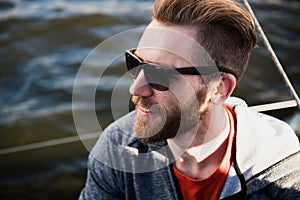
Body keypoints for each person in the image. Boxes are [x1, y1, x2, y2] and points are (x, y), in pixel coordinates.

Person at [79, 0, 300, 199]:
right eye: (136, 63)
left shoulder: (281, 165)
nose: (135, 89)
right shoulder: (118, 147)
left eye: (159, 74)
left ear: (219, 88)